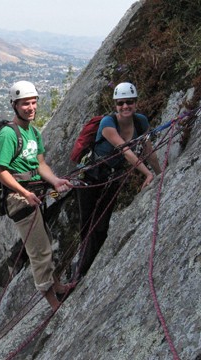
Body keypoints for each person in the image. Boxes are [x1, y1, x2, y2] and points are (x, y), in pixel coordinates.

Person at [0, 80, 73, 311]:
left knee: (46, 242)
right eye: (25, 103)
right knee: (39, 251)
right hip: (19, 199)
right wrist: (25, 193)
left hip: (33, 194)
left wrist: (55, 180)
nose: (31, 107)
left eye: (33, 102)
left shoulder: (34, 132)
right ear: (15, 106)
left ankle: (56, 286)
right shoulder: (9, 134)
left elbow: (40, 164)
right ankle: (52, 302)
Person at [74, 82, 161, 280]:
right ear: (115, 105)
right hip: (90, 178)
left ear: (135, 103)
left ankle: (87, 268)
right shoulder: (108, 123)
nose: (125, 107)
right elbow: (126, 151)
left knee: (102, 227)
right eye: (120, 103)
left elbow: (149, 151)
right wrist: (148, 174)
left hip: (112, 179)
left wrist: (160, 172)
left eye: (129, 102)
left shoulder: (141, 122)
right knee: (87, 225)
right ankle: (80, 270)